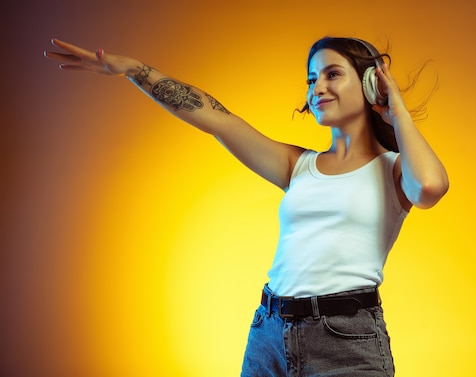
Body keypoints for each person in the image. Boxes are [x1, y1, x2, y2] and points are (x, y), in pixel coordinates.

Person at [44, 36, 449, 376]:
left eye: (332, 74)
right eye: (311, 79)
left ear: (370, 83)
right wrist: (135, 70)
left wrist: (395, 110)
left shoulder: (396, 170)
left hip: (347, 339)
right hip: (269, 333)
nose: (317, 87)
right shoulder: (298, 166)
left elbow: (430, 187)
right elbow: (217, 119)